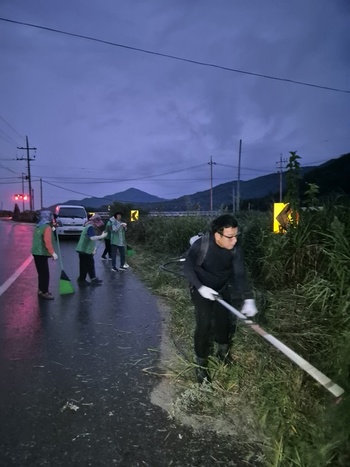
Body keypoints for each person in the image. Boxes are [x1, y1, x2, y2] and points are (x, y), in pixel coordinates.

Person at [183, 214, 258, 384]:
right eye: (230, 237)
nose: (234, 241)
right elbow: (187, 268)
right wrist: (201, 288)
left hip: (221, 288)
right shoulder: (201, 245)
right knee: (204, 324)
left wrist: (248, 299)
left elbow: (239, 274)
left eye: (236, 236)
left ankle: (222, 353)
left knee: (224, 322)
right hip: (200, 288)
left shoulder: (235, 248)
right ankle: (201, 363)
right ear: (218, 235)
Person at [31, 210, 58, 300]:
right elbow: (47, 242)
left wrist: (53, 228)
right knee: (45, 274)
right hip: (41, 253)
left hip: (36, 252)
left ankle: (40, 290)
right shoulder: (47, 228)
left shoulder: (39, 226)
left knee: (41, 273)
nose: (52, 219)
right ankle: (45, 292)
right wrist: (53, 253)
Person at [76, 214, 107, 286]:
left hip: (86, 250)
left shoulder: (90, 226)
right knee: (84, 265)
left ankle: (93, 278)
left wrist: (93, 249)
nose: (98, 225)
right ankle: (82, 280)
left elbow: (91, 240)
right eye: (98, 223)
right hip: (84, 250)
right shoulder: (90, 227)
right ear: (95, 222)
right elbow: (92, 238)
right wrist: (101, 236)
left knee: (90, 264)